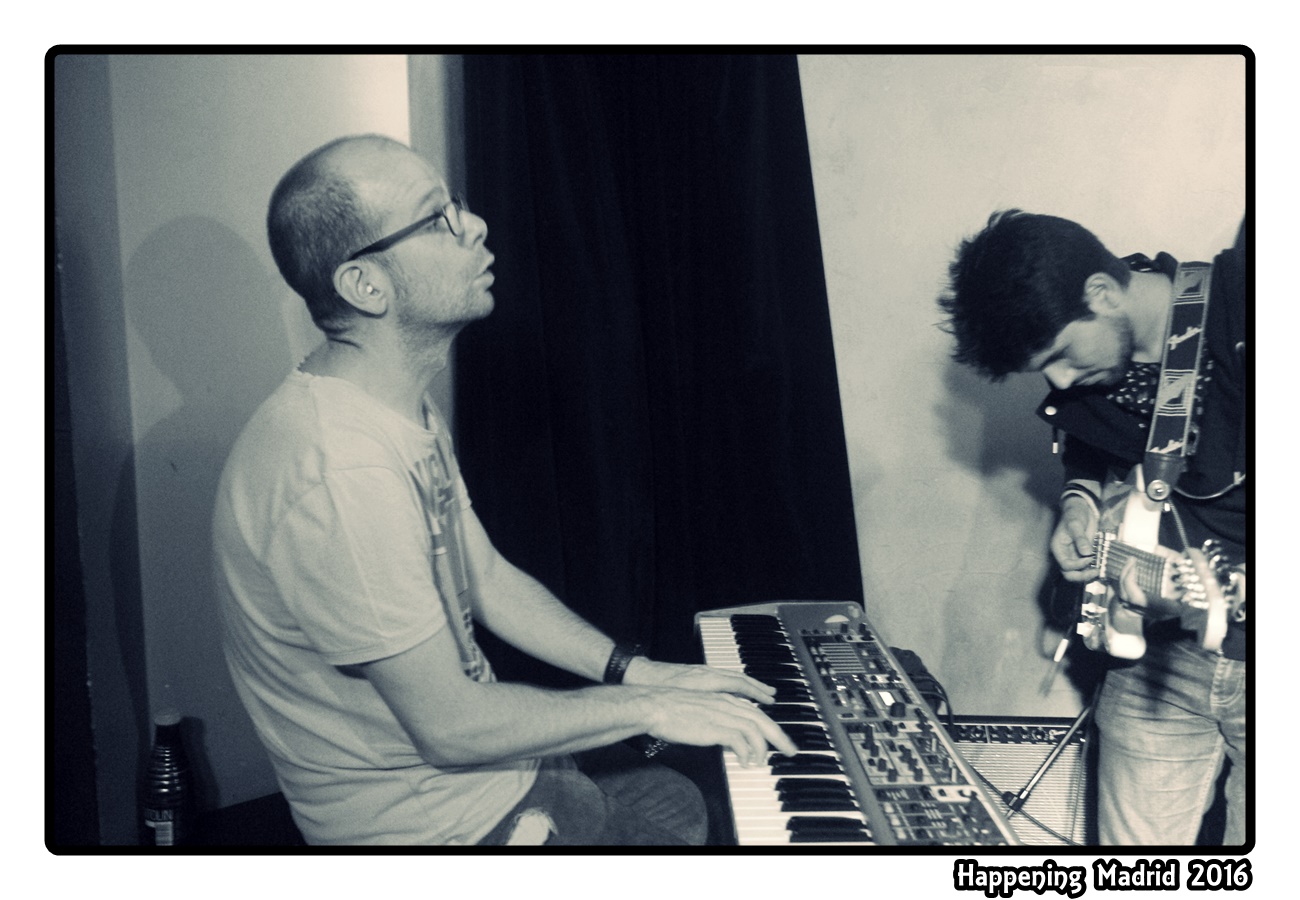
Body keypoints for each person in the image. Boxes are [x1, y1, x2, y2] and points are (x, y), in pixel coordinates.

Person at [212, 134, 798, 846]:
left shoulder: (390, 407)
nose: (476, 226)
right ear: (366, 286)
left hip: (498, 778)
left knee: (681, 798)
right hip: (442, 829)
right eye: (439, 219)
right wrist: (651, 709)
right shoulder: (341, 472)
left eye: (456, 205)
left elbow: (484, 577)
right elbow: (451, 729)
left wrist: (638, 673)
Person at [936, 210, 1246, 846]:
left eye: (1060, 356)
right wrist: (1080, 503)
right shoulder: (1095, 383)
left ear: (1102, 293)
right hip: (1157, 656)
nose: (1059, 381)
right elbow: (1095, 450)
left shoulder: (1250, 311)